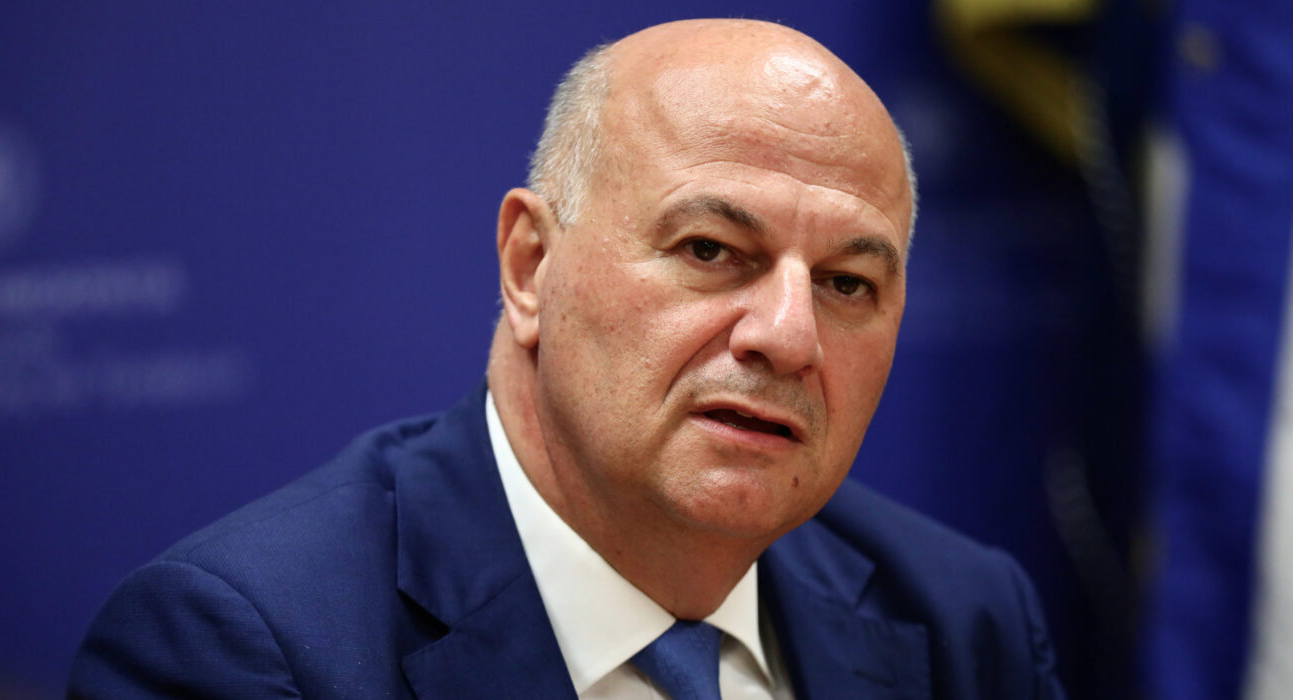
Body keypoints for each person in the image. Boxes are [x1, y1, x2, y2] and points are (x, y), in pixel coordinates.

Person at [68, 18, 1065, 699]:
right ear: (530, 266)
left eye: (847, 283)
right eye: (711, 250)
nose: (788, 335)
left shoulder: (963, 622)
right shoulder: (246, 650)